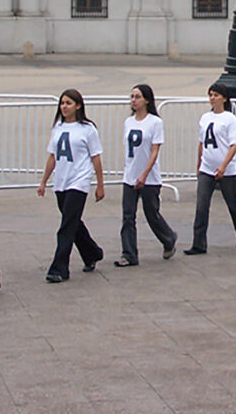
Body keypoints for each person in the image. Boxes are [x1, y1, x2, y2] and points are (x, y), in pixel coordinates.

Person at [37, 89, 105, 282]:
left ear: (78, 105)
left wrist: (100, 185)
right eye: (62, 103)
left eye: (68, 103)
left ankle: (59, 268)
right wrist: (44, 181)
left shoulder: (87, 129)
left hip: (79, 180)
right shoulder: (58, 128)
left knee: (66, 226)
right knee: (73, 221)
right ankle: (92, 252)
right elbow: (52, 156)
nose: (64, 107)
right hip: (61, 181)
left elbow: (96, 157)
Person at [184, 83, 236, 253]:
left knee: (232, 203)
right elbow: (202, 143)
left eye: (216, 95)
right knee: (202, 205)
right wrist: (199, 164)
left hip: (226, 170)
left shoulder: (229, 119)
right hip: (207, 168)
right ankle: (199, 243)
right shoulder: (205, 118)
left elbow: (234, 144)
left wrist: (223, 166)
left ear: (224, 98)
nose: (212, 98)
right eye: (210, 95)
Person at [115, 84, 177, 267]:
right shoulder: (129, 122)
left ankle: (168, 238)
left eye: (138, 97)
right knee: (128, 216)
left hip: (149, 178)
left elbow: (154, 151)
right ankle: (129, 254)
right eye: (132, 97)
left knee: (152, 214)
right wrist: (130, 171)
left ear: (147, 100)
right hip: (130, 176)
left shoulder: (155, 122)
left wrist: (144, 174)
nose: (134, 100)